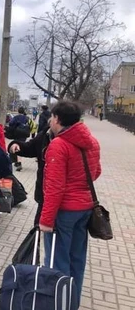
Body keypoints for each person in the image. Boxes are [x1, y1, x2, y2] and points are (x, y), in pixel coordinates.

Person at [39, 101, 101, 307]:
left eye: (52, 117)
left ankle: (57, 303)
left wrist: (46, 220)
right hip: (85, 209)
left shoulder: (59, 144)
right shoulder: (91, 141)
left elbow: (55, 187)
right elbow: (96, 173)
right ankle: (71, 302)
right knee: (77, 260)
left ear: (57, 119)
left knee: (57, 261)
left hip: (64, 212)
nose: (50, 121)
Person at [8, 127, 53, 225]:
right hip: (45, 194)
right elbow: (30, 147)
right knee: (39, 227)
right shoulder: (46, 134)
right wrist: (16, 145)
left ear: (57, 119)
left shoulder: (75, 141)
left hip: (69, 202)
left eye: (52, 117)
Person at [8, 107, 30, 171]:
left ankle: (18, 163)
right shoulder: (27, 118)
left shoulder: (16, 117)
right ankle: (17, 162)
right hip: (24, 135)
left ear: (18, 111)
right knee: (19, 147)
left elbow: (11, 123)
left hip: (17, 134)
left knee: (16, 147)